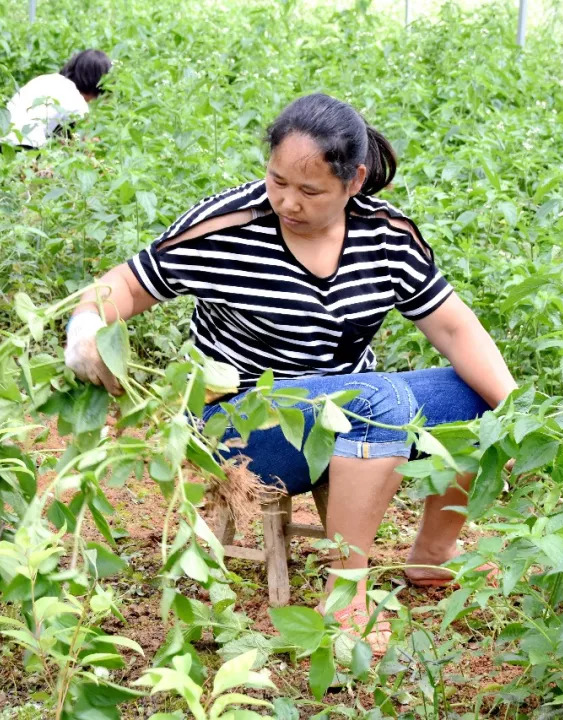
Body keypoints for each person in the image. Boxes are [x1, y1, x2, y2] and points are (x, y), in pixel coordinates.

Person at [63, 93, 517, 654]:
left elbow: (453, 329)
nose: (287, 201)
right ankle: (344, 596)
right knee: (375, 404)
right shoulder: (228, 226)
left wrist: (517, 411)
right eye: (277, 180)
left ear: (354, 180)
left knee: (478, 397)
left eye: (309, 191)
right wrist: (86, 324)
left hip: (349, 413)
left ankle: (433, 553)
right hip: (240, 426)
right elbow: (127, 285)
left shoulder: (386, 234)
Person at [0, 49, 111, 151]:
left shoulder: (47, 79)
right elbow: (78, 144)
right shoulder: (78, 103)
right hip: (25, 148)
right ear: (96, 84)